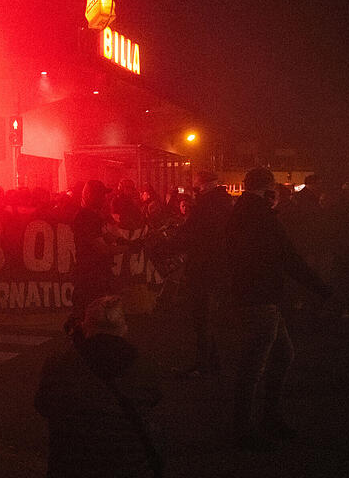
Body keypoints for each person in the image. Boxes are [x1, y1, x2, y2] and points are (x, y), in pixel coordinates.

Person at [223, 167, 331, 450]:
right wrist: (321, 288)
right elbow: (287, 256)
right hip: (261, 296)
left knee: (280, 354)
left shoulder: (240, 213)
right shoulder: (262, 217)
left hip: (250, 294)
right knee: (255, 365)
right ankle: (245, 429)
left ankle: (264, 419)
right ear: (268, 187)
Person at [36, 296, 163, 478]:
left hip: (71, 466)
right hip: (131, 466)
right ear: (123, 328)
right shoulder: (144, 366)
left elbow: (43, 404)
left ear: (85, 326)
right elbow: (153, 399)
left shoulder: (61, 363)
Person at [170, 170, 232, 376]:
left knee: (202, 317)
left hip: (203, 267)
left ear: (204, 184)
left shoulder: (206, 206)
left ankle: (205, 365)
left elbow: (191, 233)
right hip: (217, 266)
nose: (194, 188)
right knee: (209, 317)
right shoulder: (224, 203)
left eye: (196, 184)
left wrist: (171, 244)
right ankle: (213, 362)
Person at [69, 180, 127, 324]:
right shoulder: (86, 217)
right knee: (89, 318)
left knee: (96, 318)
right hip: (90, 276)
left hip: (97, 275)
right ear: (89, 195)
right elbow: (102, 249)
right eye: (101, 195)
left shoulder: (94, 216)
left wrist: (125, 242)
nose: (105, 198)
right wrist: (129, 248)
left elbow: (108, 237)